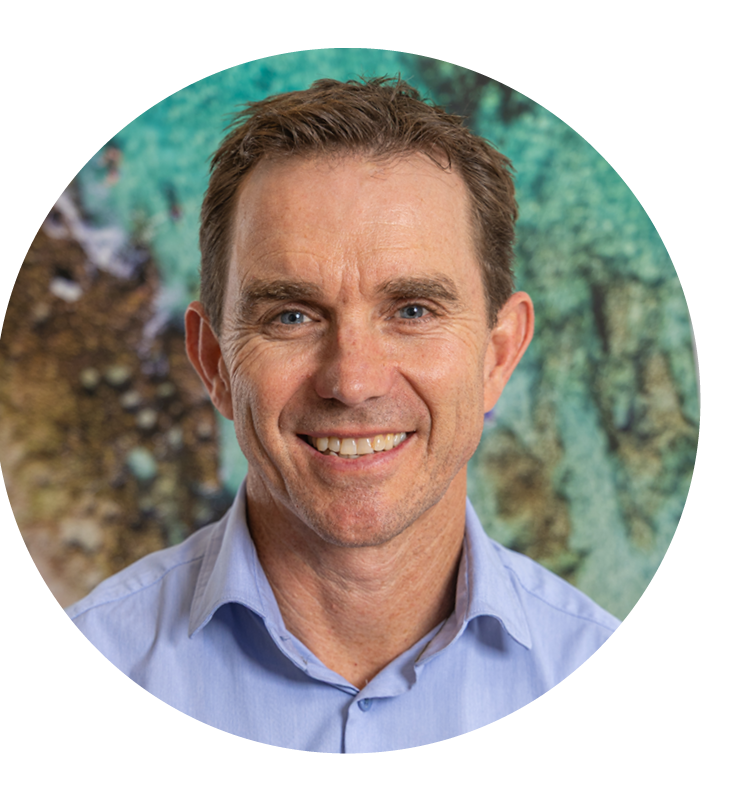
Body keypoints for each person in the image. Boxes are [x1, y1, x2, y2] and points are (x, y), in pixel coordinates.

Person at [65, 76, 623, 765]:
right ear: (214, 362)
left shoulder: (612, 690)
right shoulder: (101, 652)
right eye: (292, 316)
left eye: (413, 311)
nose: (353, 382)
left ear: (498, 355)